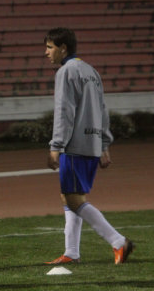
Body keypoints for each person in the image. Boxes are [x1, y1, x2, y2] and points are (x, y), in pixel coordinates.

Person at [43, 28, 134, 265]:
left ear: (63, 48)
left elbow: (65, 112)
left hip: (74, 145)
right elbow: (102, 109)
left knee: (73, 198)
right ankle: (71, 252)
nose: (46, 52)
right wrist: (104, 143)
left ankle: (118, 241)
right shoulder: (90, 71)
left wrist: (56, 145)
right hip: (92, 143)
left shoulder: (66, 71)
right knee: (70, 196)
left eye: (50, 47)